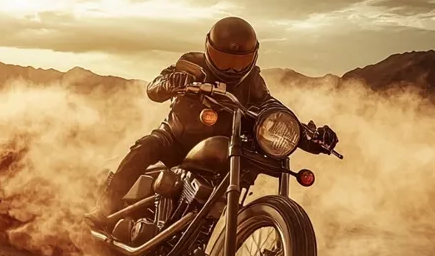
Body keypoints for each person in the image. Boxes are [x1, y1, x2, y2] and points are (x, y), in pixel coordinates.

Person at [87, 16, 338, 226]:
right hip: (177, 139)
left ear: (253, 57)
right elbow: (155, 87)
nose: (231, 69)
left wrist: (307, 136)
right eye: (223, 60)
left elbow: (271, 106)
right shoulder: (190, 63)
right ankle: (105, 208)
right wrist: (170, 83)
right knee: (147, 146)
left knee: (255, 168)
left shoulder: (253, 82)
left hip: (222, 151)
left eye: (239, 62)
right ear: (208, 50)